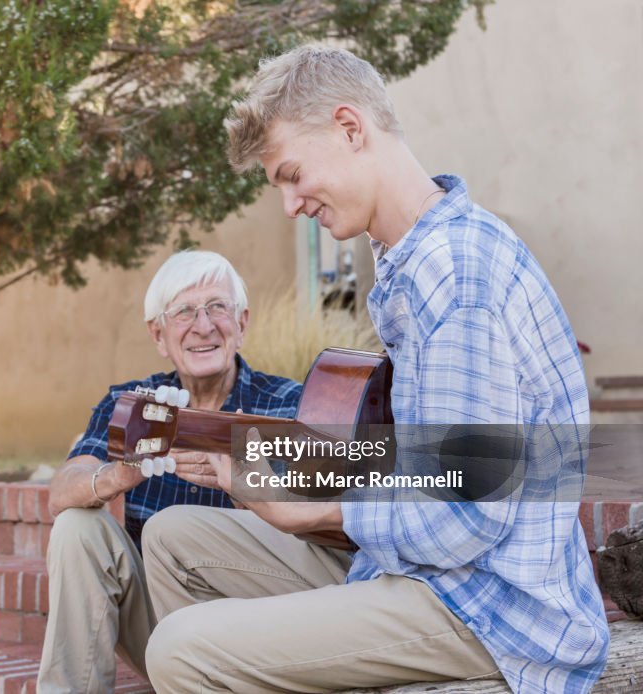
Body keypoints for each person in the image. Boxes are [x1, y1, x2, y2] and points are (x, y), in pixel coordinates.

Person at [142, 45, 609, 693]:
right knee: (172, 539)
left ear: (351, 129)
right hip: (418, 571)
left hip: (487, 606)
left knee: (180, 650)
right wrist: (281, 473)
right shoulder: (409, 261)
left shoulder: (454, 274)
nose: (290, 205)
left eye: (292, 174)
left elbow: (465, 518)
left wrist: (306, 512)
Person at [36, 250, 304, 693]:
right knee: (76, 527)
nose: (203, 326)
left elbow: (319, 533)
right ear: (159, 335)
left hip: (257, 633)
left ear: (242, 323)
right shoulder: (132, 404)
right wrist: (121, 475)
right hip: (161, 632)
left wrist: (243, 484)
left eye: (218, 307)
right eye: (183, 312)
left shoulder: (288, 405)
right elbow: (61, 491)